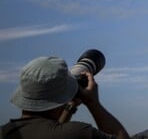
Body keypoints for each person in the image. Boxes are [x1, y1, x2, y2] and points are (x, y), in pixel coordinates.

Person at [1, 56, 130, 139]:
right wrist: (93, 104)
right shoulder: (79, 133)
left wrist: (69, 107)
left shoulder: (4, 133)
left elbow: (50, 129)